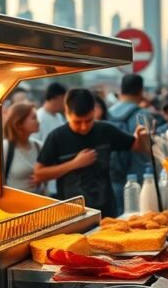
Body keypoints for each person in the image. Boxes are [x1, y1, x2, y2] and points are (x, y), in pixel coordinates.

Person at [34, 88, 149, 218]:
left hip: (106, 211)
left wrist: (141, 137)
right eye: (77, 122)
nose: (84, 127)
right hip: (71, 213)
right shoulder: (57, 137)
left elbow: (137, 147)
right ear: (67, 114)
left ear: (94, 112)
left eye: (88, 121)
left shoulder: (105, 130)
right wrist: (74, 164)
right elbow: (39, 174)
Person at [108, 74, 152, 214]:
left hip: (113, 178)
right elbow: (149, 148)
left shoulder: (108, 113)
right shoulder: (143, 115)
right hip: (138, 179)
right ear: (141, 91)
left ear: (121, 90)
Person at [2, 102, 44, 194]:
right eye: (34, 118)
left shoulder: (39, 146)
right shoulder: (5, 148)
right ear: (18, 124)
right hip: (13, 201)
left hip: (38, 200)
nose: (38, 121)